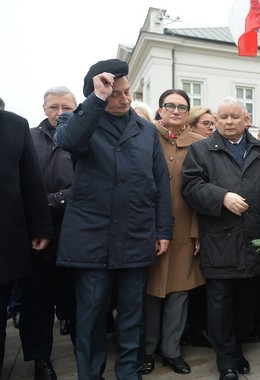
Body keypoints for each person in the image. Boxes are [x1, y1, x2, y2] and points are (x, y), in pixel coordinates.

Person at [54, 59, 173, 380]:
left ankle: (129, 373)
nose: (124, 99)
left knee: (133, 316)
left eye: (127, 92)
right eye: (114, 93)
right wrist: (95, 99)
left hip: (136, 235)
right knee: (91, 316)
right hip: (93, 239)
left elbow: (159, 182)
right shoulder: (79, 120)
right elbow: (67, 141)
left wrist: (163, 229)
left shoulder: (146, 129)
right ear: (98, 93)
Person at [182, 97, 260, 380]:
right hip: (220, 241)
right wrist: (221, 196)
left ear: (246, 120)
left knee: (246, 304)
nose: (228, 122)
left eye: (235, 117)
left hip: (254, 239)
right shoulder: (201, 150)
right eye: (223, 117)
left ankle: (236, 351)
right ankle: (226, 363)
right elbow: (191, 186)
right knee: (220, 305)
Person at [141, 90, 206, 375]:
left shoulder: (200, 145)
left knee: (179, 294)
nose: (176, 111)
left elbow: (202, 192)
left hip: (183, 230)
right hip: (148, 230)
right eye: (170, 105)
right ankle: (145, 350)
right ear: (160, 109)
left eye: (182, 107)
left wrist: (197, 233)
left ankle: (171, 350)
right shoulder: (144, 137)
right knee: (149, 294)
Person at [18, 86, 77, 380]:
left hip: (75, 236)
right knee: (37, 304)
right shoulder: (26, 137)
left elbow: (86, 184)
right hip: (35, 238)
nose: (60, 113)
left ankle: (86, 355)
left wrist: (51, 201)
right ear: (44, 109)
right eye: (54, 107)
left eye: (67, 107)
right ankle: (41, 360)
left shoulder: (81, 141)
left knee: (76, 302)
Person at [0, 109, 52, 375]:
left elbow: (31, 181)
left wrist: (41, 227)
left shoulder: (13, 125)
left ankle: (40, 358)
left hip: (11, 239)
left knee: (35, 302)